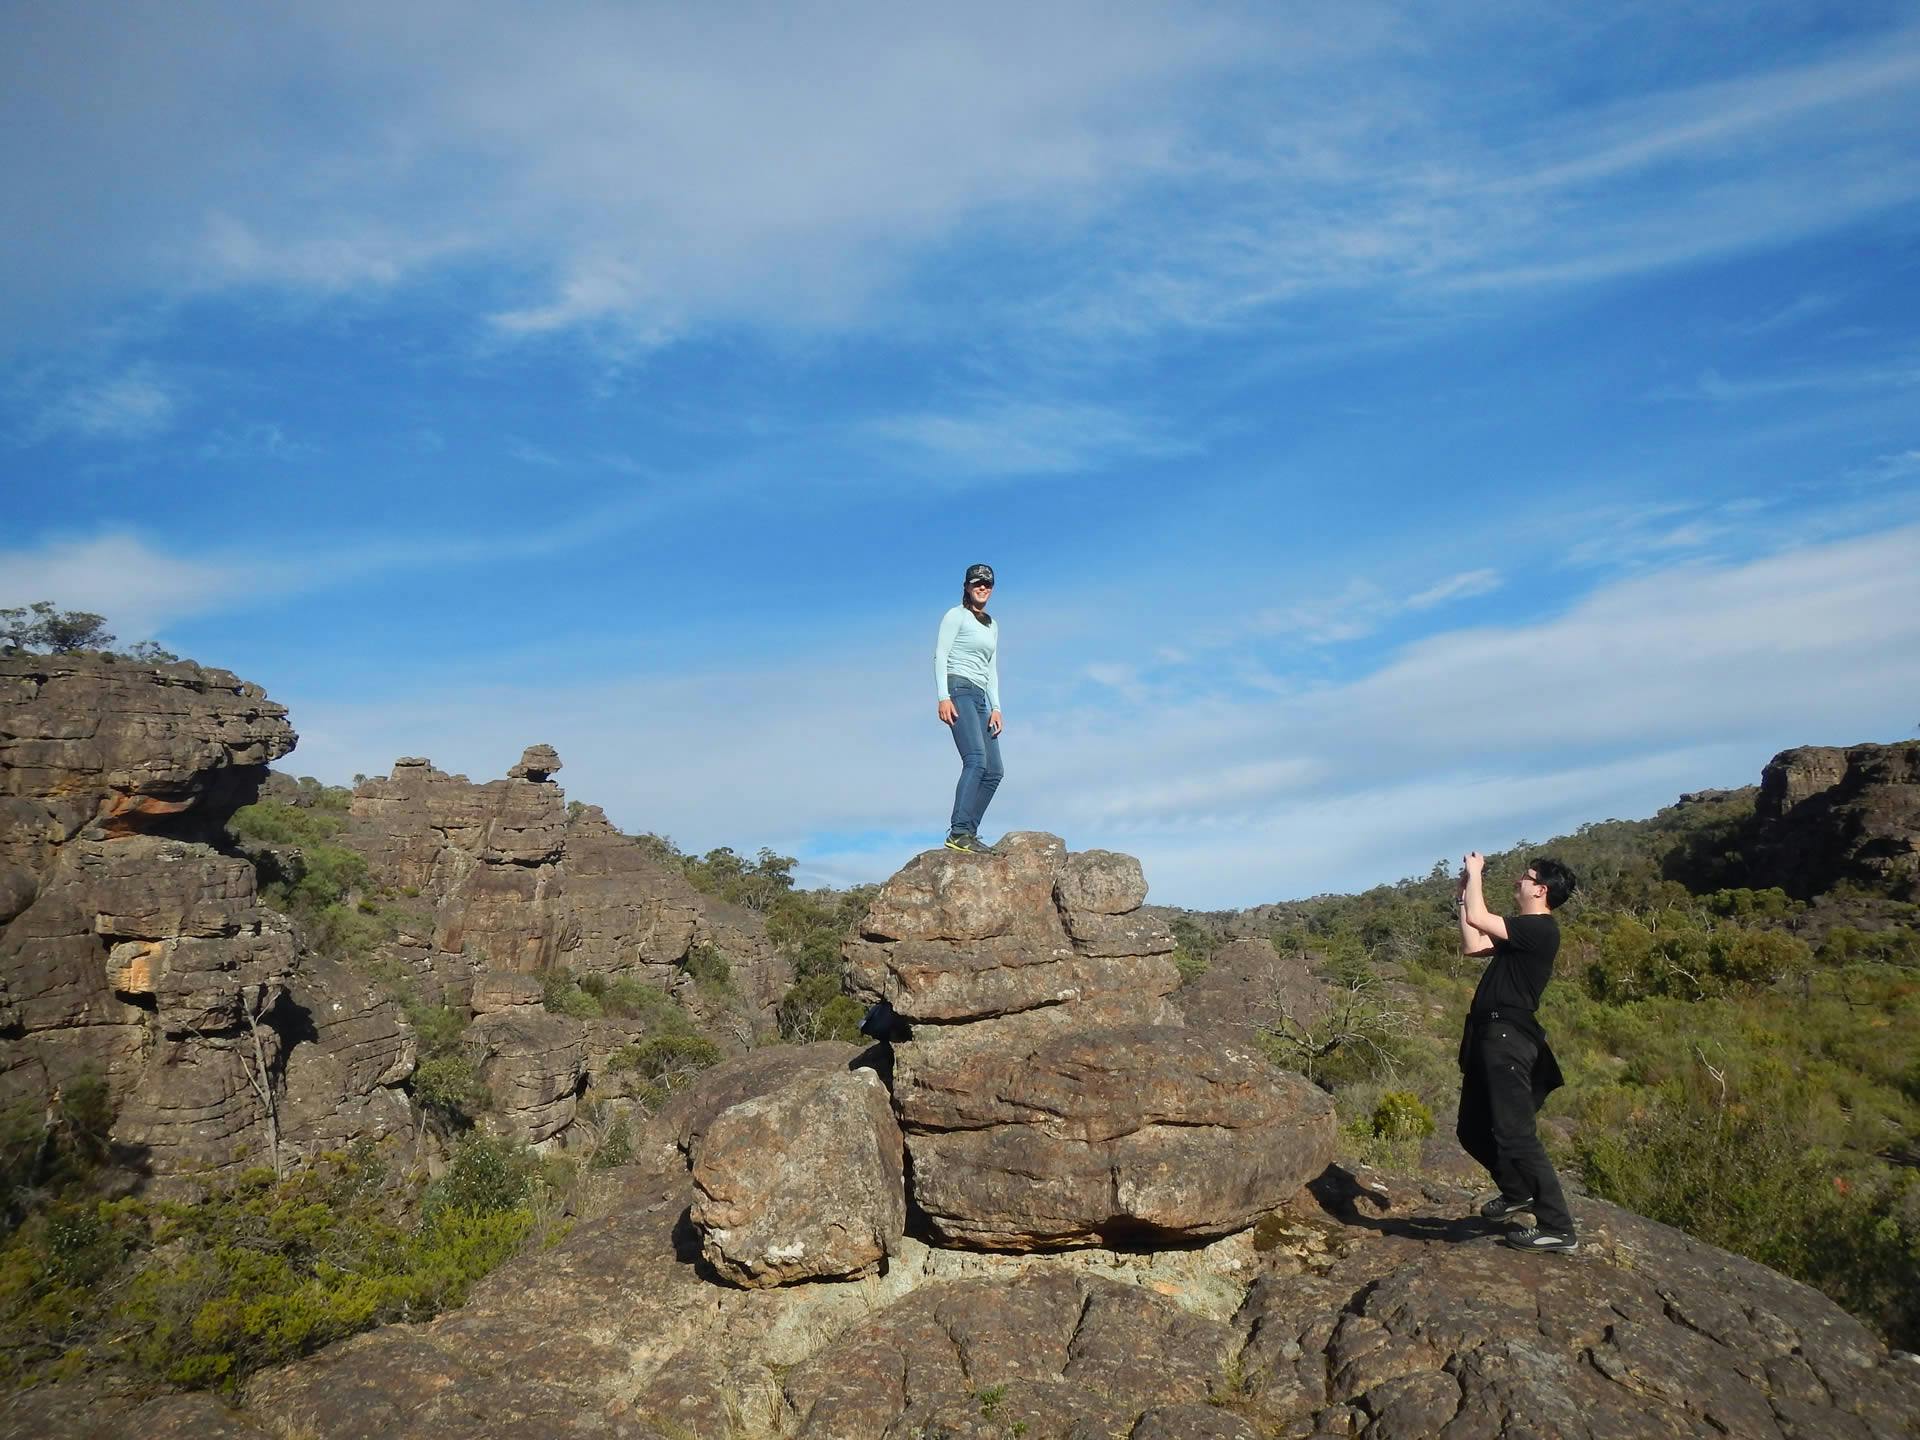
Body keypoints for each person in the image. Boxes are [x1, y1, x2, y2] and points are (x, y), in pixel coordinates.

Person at [1456, 850, 1580, 1252]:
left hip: (1509, 1038)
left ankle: (1558, 1227)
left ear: (1541, 890)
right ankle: (1516, 1193)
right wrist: (1463, 896)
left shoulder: (1541, 929)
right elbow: (1472, 945)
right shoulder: (1521, 931)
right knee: (1471, 1129)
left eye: (1525, 878)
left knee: (1516, 1134)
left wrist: (1476, 873)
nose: (1518, 882)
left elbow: (1480, 918)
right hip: (1488, 1036)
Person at [934, 563, 1003, 853]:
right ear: (966, 586)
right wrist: (943, 696)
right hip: (958, 689)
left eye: (987, 583)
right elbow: (940, 655)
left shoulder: (992, 624)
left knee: (994, 771)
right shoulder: (956, 616)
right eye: (977, 583)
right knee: (975, 759)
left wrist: (996, 707)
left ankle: (969, 833)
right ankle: (958, 831)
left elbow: (991, 668)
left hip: (981, 698)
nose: (982, 587)